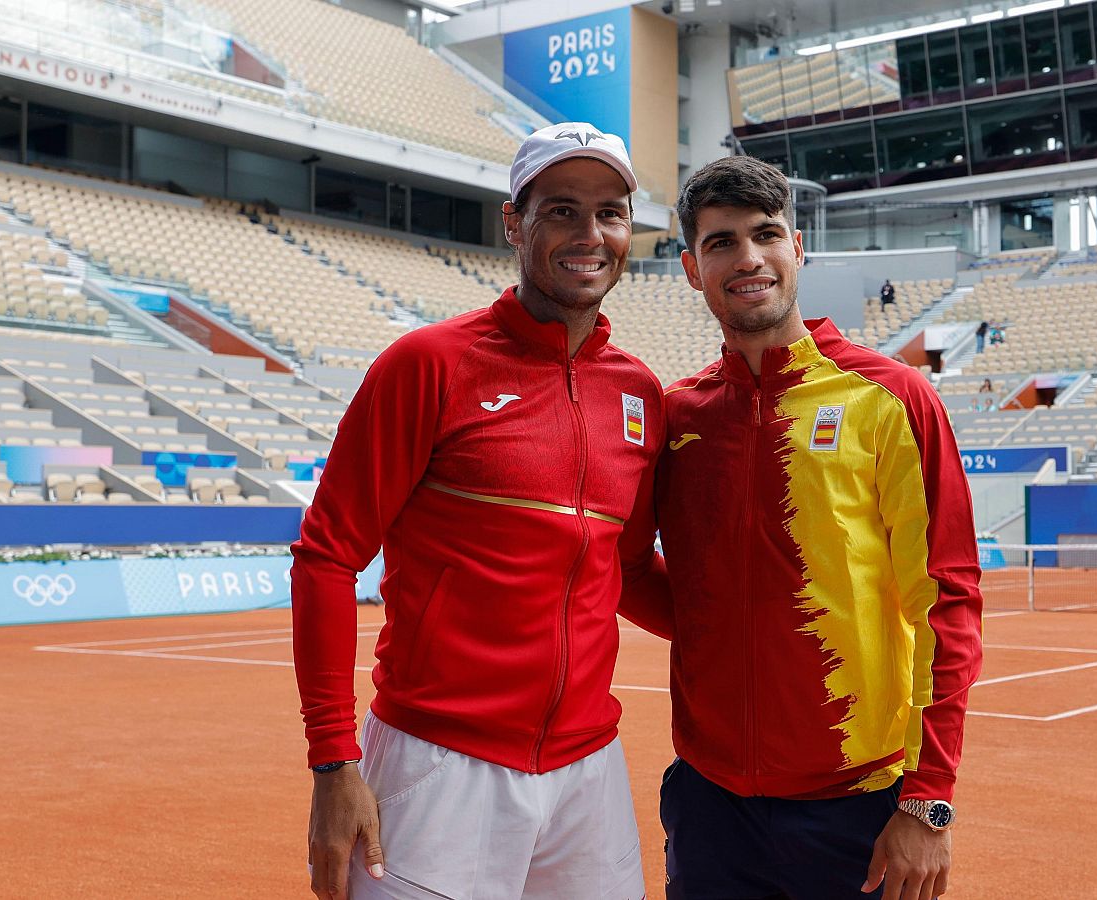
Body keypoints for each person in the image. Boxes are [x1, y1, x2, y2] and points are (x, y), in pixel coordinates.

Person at [291, 122, 667, 900]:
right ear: (513, 221)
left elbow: (625, 570)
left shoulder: (639, 391)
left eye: (610, 213)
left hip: (589, 774)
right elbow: (327, 556)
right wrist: (333, 762)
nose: (589, 234)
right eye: (561, 210)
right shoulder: (427, 365)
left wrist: (752, 624)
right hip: (437, 766)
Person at [643, 155, 984, 900]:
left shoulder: (890, 399)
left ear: (799, 248)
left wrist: (928, 799)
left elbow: (948, 602)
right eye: (721, 242)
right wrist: (713, 627)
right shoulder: (679, 415)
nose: (749, 258)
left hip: (858, 807)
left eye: (766, 234)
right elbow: (631, 568)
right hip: (709, 802)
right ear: (691, 268)